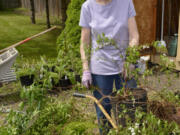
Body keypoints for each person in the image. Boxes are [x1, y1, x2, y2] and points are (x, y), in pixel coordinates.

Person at [79, 0, 139, 134]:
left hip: (124, 67)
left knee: (130, 110)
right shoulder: (87, 7)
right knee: (103, 113)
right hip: (99, 68)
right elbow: (85, 42)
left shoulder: (126, 3)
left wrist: (129, 61)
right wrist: (86, 69)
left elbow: (134, 36)